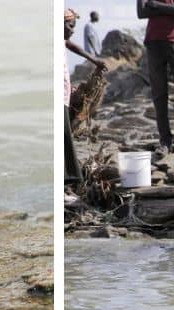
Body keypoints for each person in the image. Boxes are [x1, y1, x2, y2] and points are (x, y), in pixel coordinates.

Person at [138, 0, 174, 165]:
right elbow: (141, 13)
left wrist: (155, 5)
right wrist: (171, 9)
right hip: (154, 43)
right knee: (159, 94)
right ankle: (165, 142)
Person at [64, 9, 106, 186]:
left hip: (65, 96)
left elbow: (75, 46)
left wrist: (94, 60)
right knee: (65, 137)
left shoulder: (62, 41)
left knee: (65, 137)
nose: (73, 30)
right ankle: (72, 179)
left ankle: (72, 178)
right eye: (70, 25)